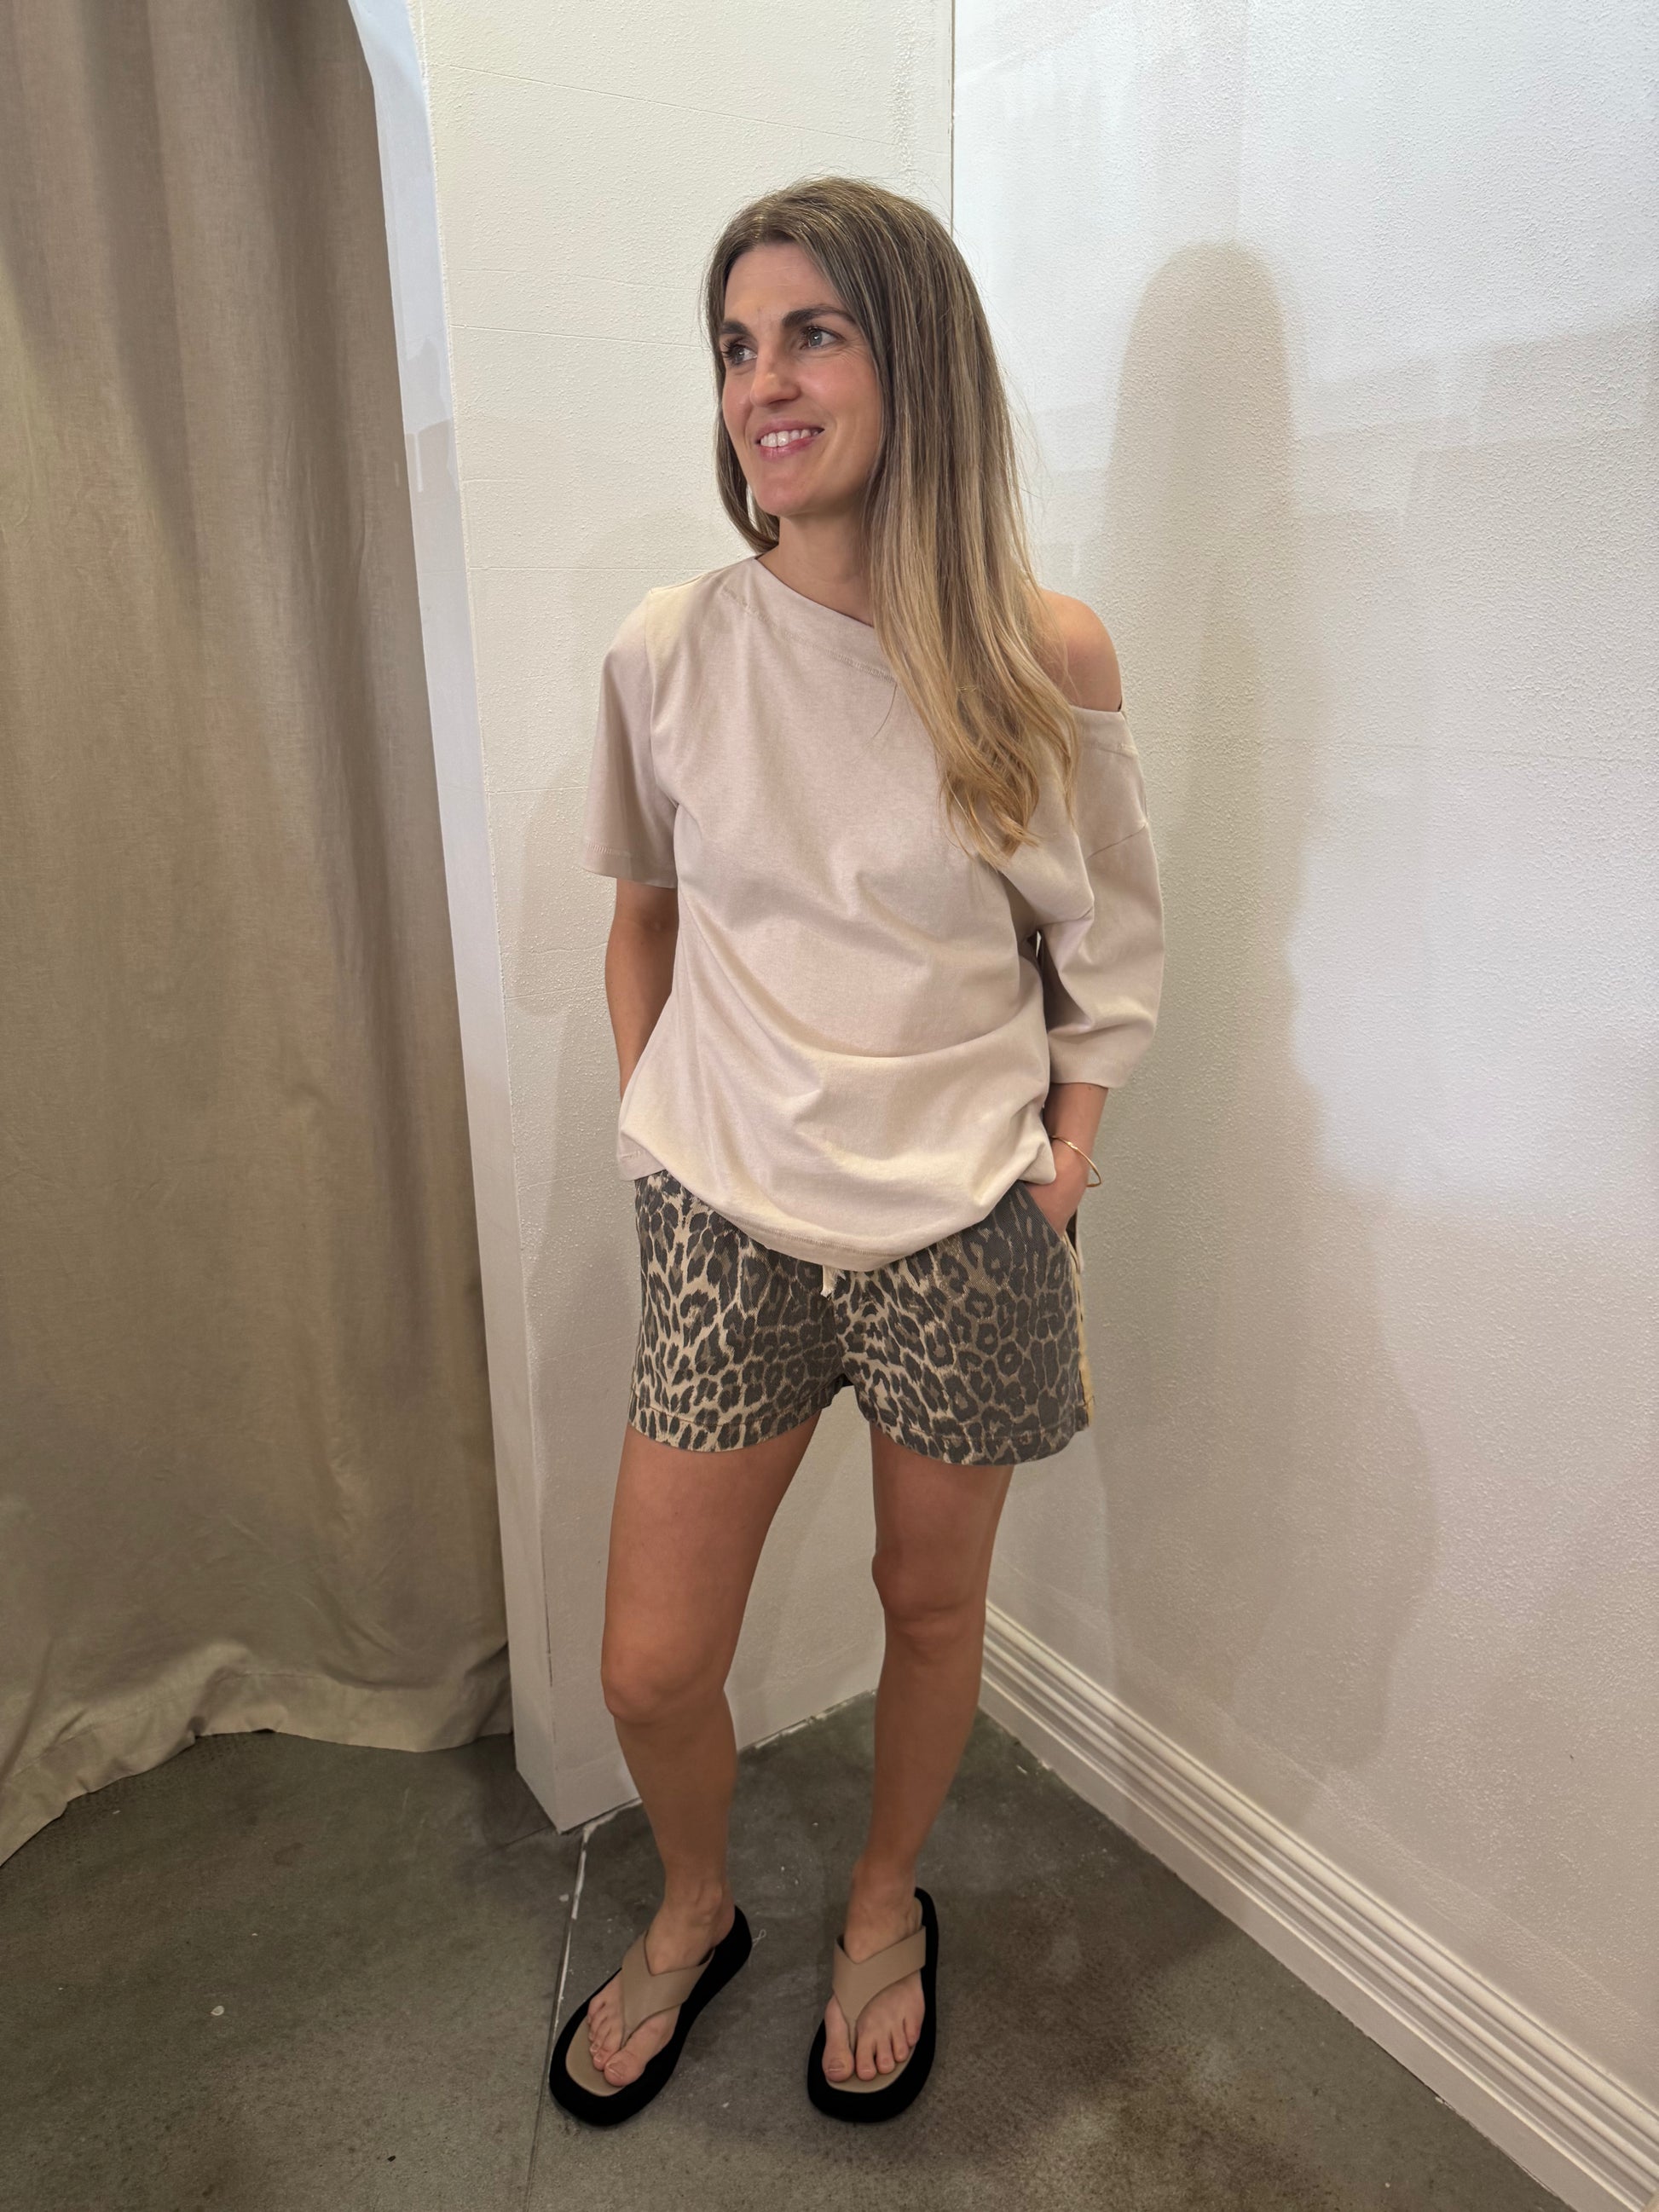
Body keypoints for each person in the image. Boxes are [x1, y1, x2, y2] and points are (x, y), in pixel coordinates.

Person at [548, 176, 1165, 2128]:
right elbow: (643, 916)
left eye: (810, 334)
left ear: (916, 360)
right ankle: (697, 1904)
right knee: (651, 1664)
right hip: (726, 1219)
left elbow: (1106, 946)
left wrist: (1063, 1158)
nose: (762, 384)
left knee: (926, 1601)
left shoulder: (1042, 655)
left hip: (965, 1224)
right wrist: (663, 1141)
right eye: (737, 347)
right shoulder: (672, 646)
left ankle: (884, 1894)